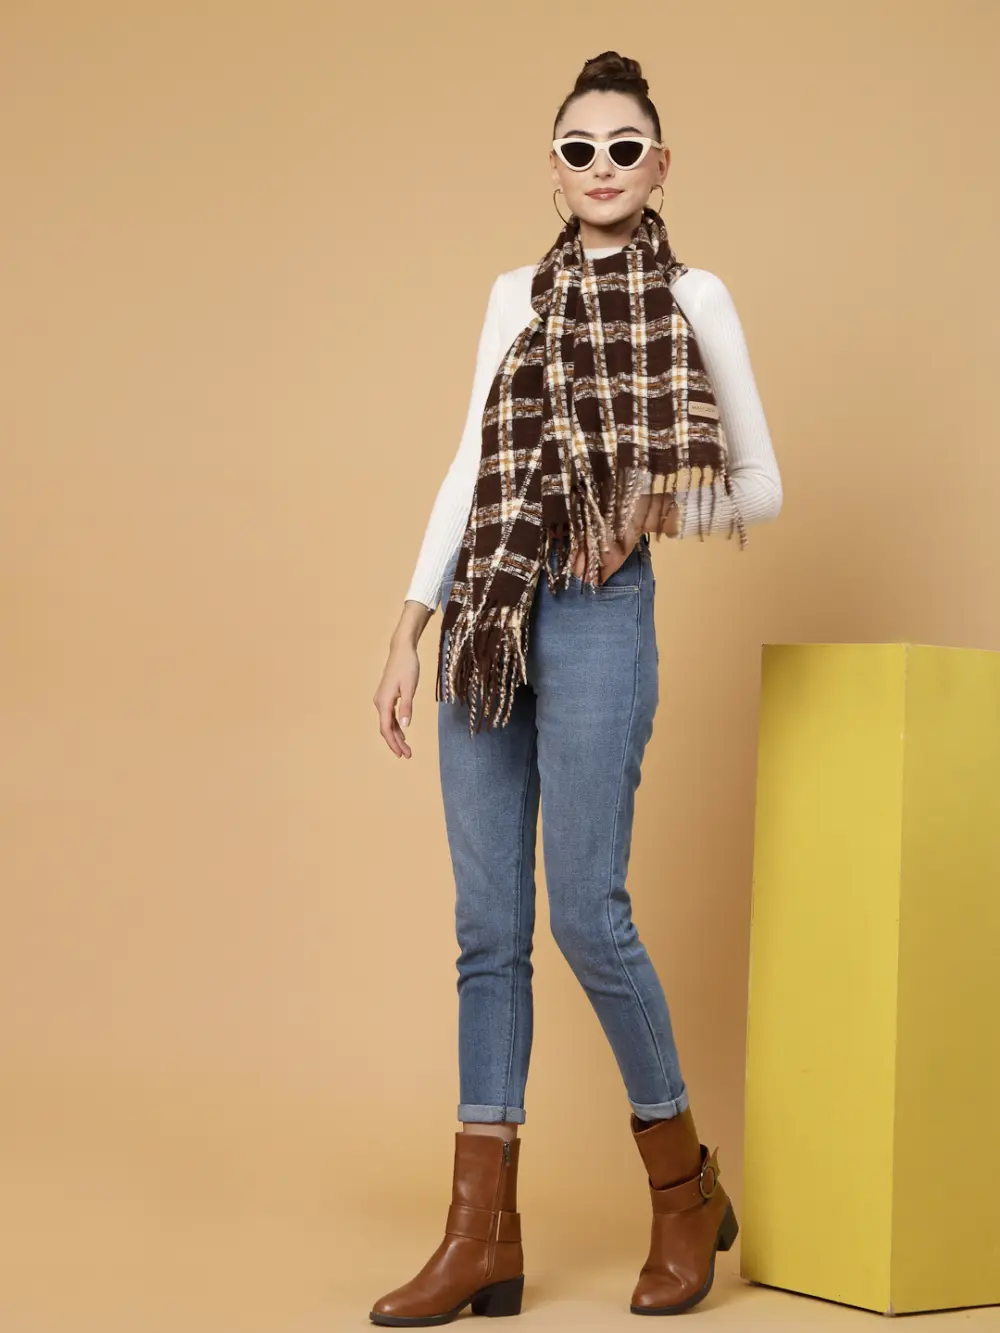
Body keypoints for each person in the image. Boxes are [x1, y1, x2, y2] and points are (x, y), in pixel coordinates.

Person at [370, 51, 782, 1324]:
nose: (600, 166)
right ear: (552, 170)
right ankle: (481, 1237)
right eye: (577, 147)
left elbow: (759, 484)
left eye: (623, 146)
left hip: (601, 611)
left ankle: (684, 1189)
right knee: (485, 930)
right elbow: (469, 463)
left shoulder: (693, 296)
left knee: (587, 916)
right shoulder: (515, 295)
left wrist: (647, 507)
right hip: (489, 612)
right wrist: (410, 622)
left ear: (659, 166)